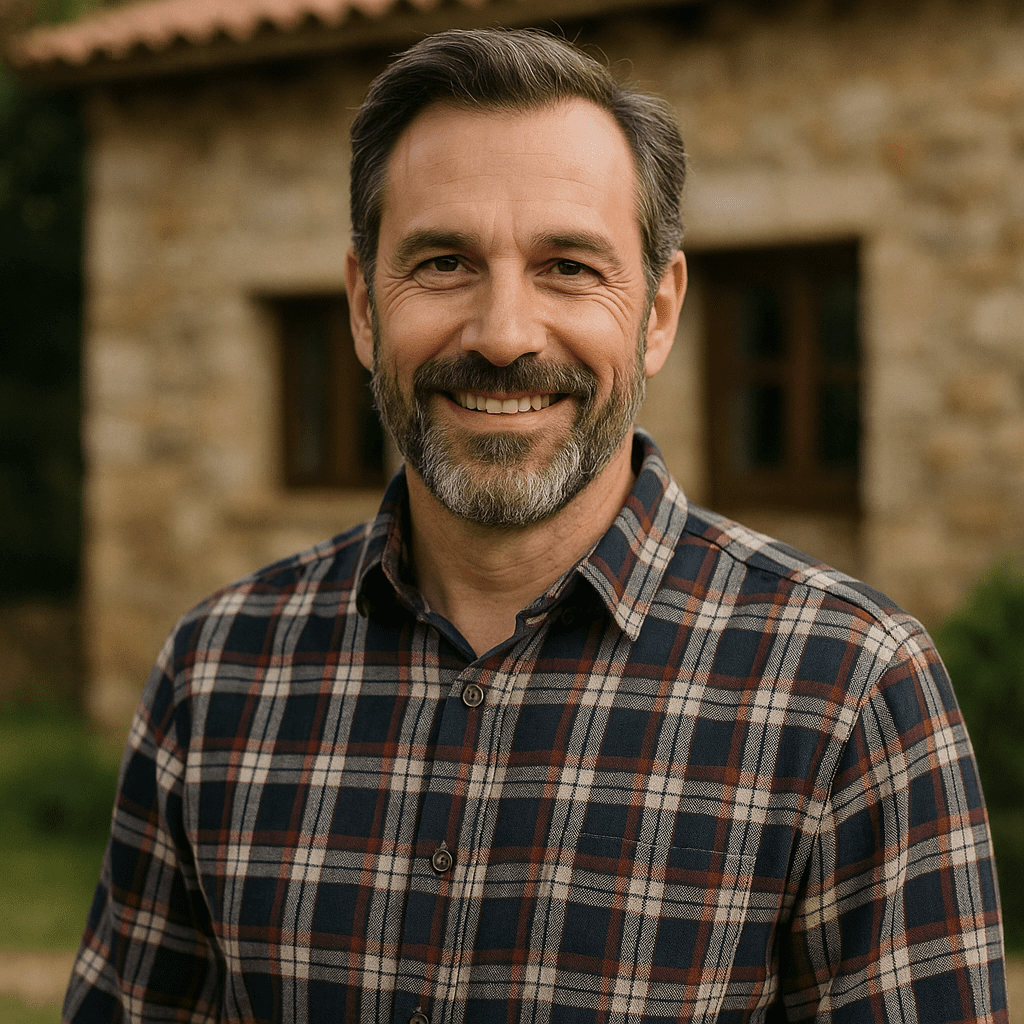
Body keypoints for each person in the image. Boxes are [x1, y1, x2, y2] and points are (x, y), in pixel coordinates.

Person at [64, 27, 1006, 1024]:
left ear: (657, 311)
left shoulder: (850, 690)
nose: (504, 334)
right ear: (360, 306)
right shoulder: (216, 673)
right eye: (441, 262)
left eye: (566, 266)